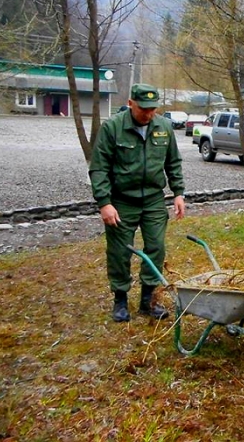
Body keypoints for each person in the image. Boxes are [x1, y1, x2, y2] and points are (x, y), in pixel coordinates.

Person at [89, 83, 186, 323]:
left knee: (155, 247)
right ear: (131, 103)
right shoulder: (113, 128)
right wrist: (104, 202)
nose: (149, 113)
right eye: (143, 108)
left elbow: (173, 162)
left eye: (153, 108)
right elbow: (99, 168)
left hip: (153, 199)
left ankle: (148, 301)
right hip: (122, 201)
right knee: (120, 252)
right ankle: (120, 299)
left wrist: (178, 192)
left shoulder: (163, 126)